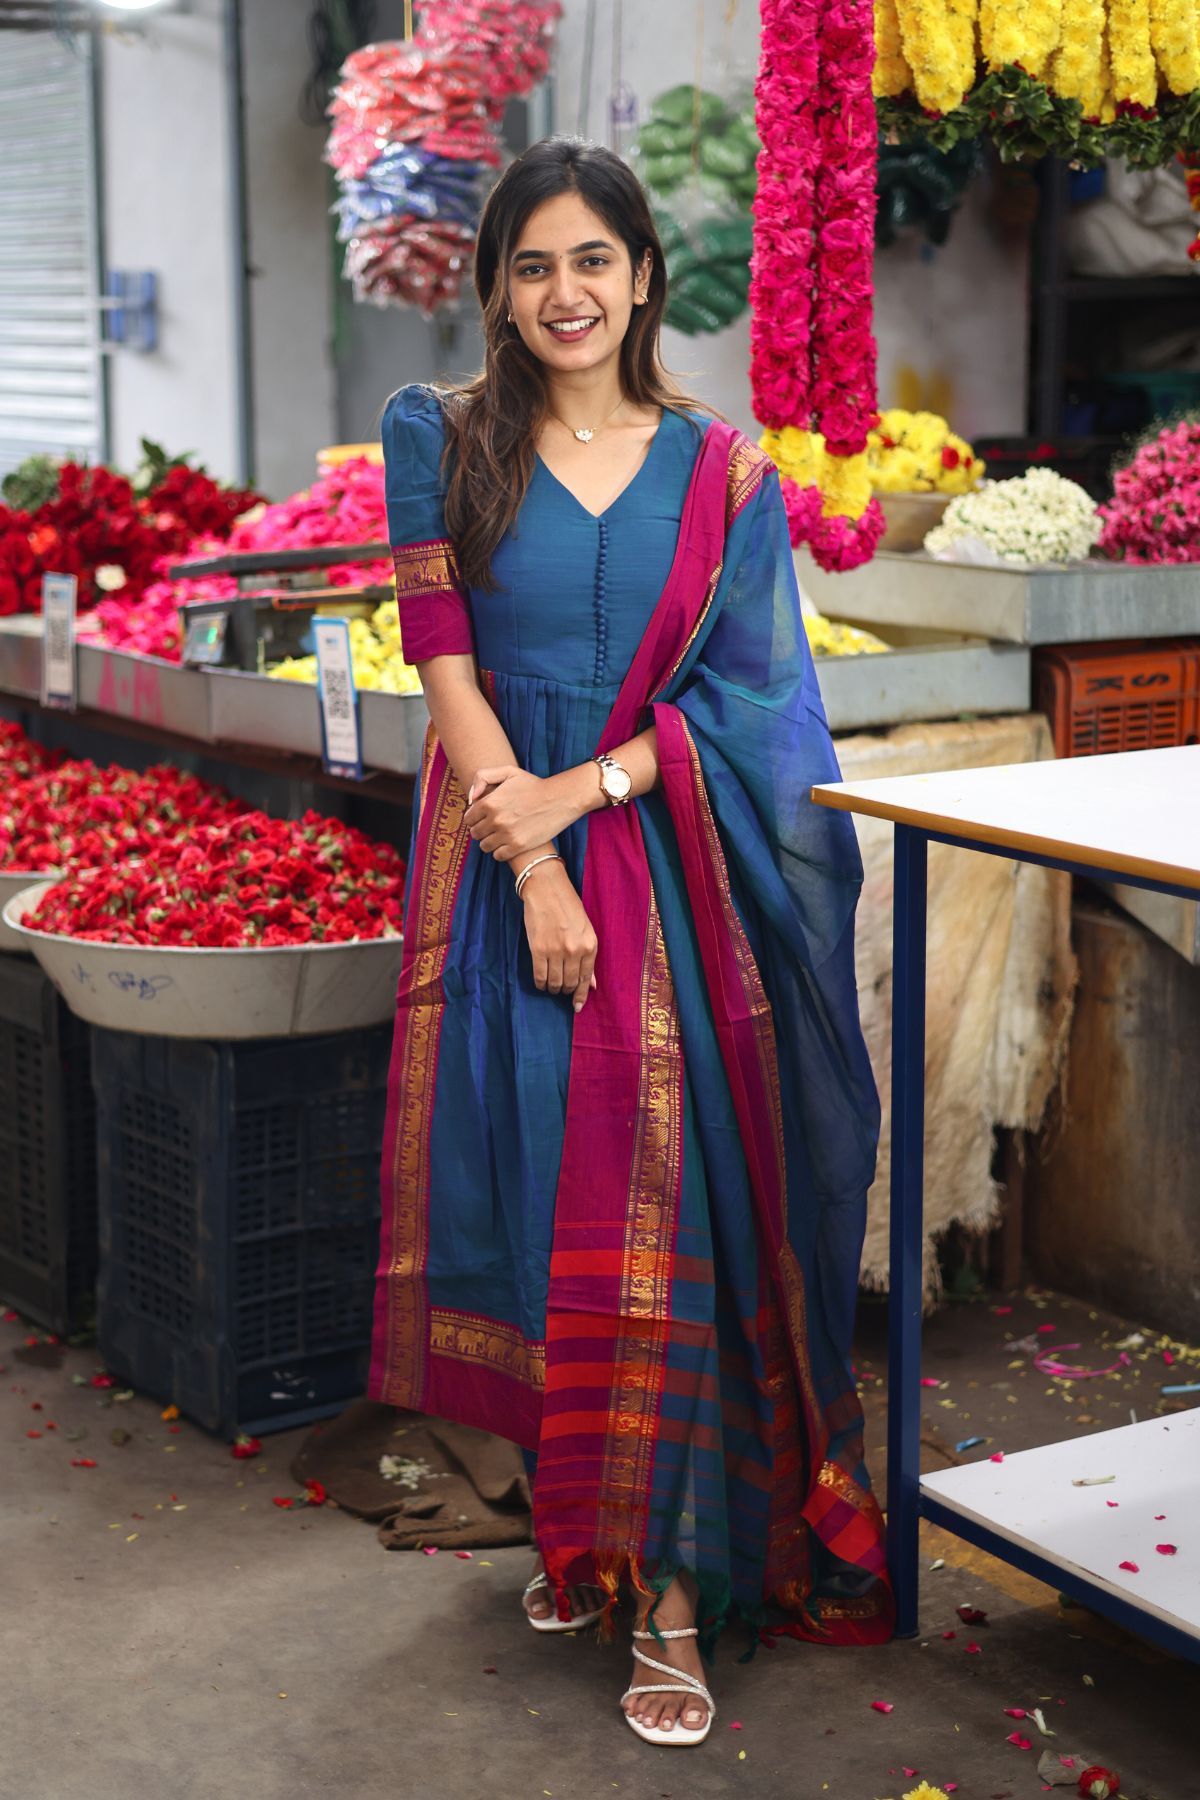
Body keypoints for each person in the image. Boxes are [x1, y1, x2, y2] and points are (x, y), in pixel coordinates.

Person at [368, 135, 893, 1749]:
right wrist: (525, 853)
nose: (566, 291)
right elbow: (444, 656)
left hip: (672, 882)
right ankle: (582, 1526)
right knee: (534, 1198)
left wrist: (583, 797)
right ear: (496, 287)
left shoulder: (725, 472)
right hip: (497, 862)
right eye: (532, 264)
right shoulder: (440, 437)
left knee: (666, 1222)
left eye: (594, 259)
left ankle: (669, 1595)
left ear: (646, 277)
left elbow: (748, 705)